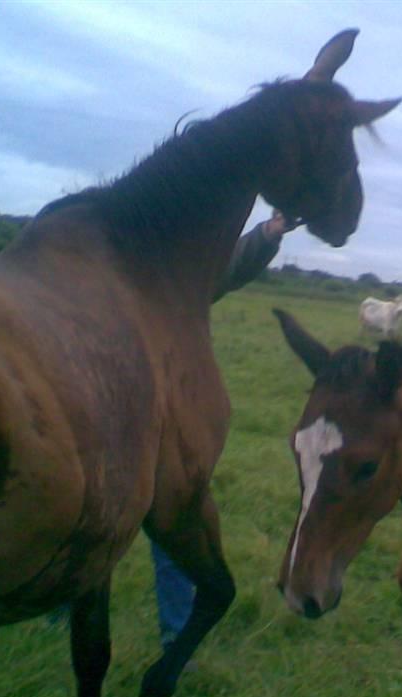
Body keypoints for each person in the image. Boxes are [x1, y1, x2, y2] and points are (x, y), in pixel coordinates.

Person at [154, 209, 288, 649]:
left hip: (166, 427)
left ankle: (176, 635)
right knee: (91, 528)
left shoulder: (182, 276)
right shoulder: (110, 274)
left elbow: (229, 265)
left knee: (175, 535)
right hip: (112, 423)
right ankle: (60, 605)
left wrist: (268, 233)